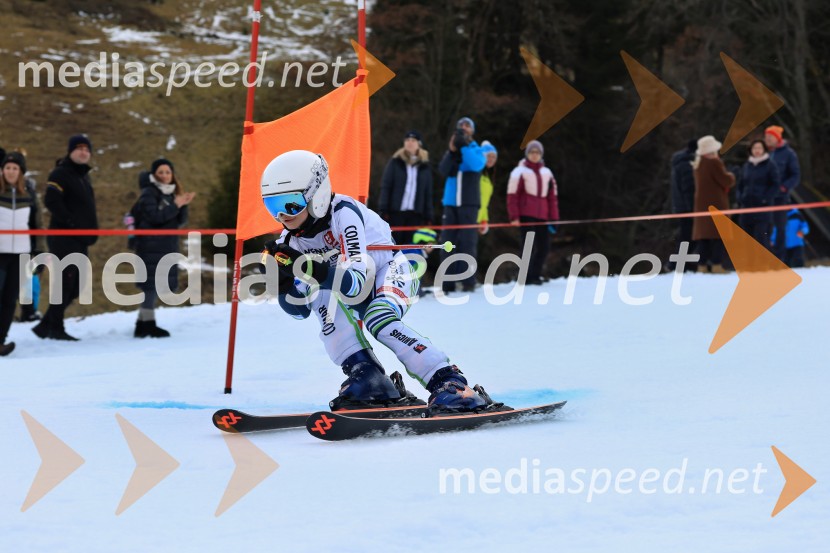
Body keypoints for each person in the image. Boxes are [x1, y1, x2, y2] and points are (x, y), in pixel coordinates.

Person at [260, 150, 496, 413]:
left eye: (291, 204)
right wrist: (281, 283)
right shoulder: (289, 242)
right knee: (320, 296)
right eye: (272, 206)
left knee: (378, 318)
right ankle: (368, 377)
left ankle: (450, 382)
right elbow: (299, 310)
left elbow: (356, 283)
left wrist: (308, 268)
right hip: (347, 284)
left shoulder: (344, 214)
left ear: (317, 195)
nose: (283, 216)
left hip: (390, 270)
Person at [32, 135, 98, 341]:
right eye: (78, 148)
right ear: (70, 151)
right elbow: (51, 200)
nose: (83, 151)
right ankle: (55, 329)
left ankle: (45, 325)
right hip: (64, 237)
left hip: (80, 239)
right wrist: (70, 223)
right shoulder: (60, 173)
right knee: (66, 283)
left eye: (86, 149)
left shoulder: (83, 177)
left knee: (78, 285)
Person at [132, 159, 195, 338]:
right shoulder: (149, 193)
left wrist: (182, 204)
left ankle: (142, 323)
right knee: (151, 286)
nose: (165, 176)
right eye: (161, 172)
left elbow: (179, 222)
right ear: (154, 175)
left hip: (165, 246)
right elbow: (155, 217)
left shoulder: (171, 193)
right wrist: (176, 205)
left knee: (156, 285)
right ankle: (148, 325)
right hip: (151, 247)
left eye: (168, 172)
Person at [0, 151, 42, 356]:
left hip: (20, 254)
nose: (10, 171)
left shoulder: (29, 194)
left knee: (9, 300)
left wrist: (39, 251)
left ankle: (0, 340)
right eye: (7, 167)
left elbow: (37, 225)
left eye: (15, 168)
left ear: (21, 172)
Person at [438, 117, 485, 293]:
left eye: (468, 126)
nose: (464, 128)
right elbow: (443, 170)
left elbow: (477, 164)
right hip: (450, 203)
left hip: (469, 203)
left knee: (468, 242)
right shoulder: (452, 152)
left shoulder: (475, 149)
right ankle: (447, 282)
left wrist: (464, 147)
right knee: (447, 243)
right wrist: (452, 151)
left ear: (472, 131)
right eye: (461, 126)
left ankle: (468, 281)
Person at [507, 140, 560, 285]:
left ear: (541, 154)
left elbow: (552, 197)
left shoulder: (547, 173)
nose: (534, 155)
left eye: (537, 152)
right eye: (532, 152)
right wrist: (514, 216)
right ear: (527, 154)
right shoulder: (519, 172)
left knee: (544, 247)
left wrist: (554, 218)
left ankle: (535, 275)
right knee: (528, 245)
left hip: (542, 215)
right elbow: (512, 195)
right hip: (526, 214)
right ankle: (524, 276)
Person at [377, 130, 433, 245]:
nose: (410, 143)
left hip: (415, 214)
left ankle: (407, 263)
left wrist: (429, 216)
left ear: (419, 144)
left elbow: (427, 192)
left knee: (410, 245)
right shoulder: (395, 162)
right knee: (393, 243)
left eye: (413, 140)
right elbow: (386, 186)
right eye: (407, 140)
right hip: (396, 213)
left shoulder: (424, 166)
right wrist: (383, 209)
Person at [691, 135, 735, 271]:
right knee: (718, 237)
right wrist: (732, 176)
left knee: (704, 238)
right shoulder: (714, 162)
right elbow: (726, 181)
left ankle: (702, 266)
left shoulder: (697, 165)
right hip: (716, 204)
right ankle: (716, 265)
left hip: (701, 206)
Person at [764, 125, 800, 261]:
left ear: (777, 138)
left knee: (780, 228)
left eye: (770, 137)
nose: (766, 139)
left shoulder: (789, 154)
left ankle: (780, 259)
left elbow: (795, 175)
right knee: (764, 227)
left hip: (780, 197)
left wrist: (784, 187)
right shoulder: (762, 152)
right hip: (764, 198)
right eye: (765, 137)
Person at [738, 139, 779, 251]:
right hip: (747, 207)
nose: (757, 150)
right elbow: (740, 184)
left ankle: (764, 265)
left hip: (763, 208)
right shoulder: (747, 166)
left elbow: (775, 184)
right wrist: (741, 197)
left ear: (764, 149)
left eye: (759, 148)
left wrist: (765, 198)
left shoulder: (770, 165)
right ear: (751, 150)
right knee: (747, 237)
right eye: (755, 148)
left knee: (761, 236)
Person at [668, 140, 698, 271]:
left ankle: (680, 264)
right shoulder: (687, 165)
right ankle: (676, 265)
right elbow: (688, 189)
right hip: (687, 208)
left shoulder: (679, 162)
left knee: (686, 236)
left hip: (680, 206)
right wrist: (692, 209)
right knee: (688, 237)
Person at [478, 141, 497, 236]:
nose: (491, 159)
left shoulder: (488, 178)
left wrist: (484, 219)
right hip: (469, 216)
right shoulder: (477, 173)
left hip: (478, 220)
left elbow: (485, 203)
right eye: (489, 156)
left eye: (494, 157)